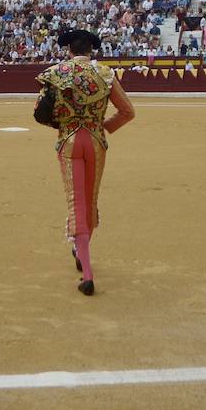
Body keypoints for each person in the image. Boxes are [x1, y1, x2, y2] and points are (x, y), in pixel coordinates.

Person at [36, 29, 136, 296]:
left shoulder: (56, 73)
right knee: (90, 200)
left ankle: (88, 274)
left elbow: (41, 113)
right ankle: (82, 250)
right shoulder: (104, 74)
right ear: (91, 51)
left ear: (69, 50)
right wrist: (103, 126)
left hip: (69, 142)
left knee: (75, 202)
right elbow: (128, 112)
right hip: (95, 142)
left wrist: (63, 123)